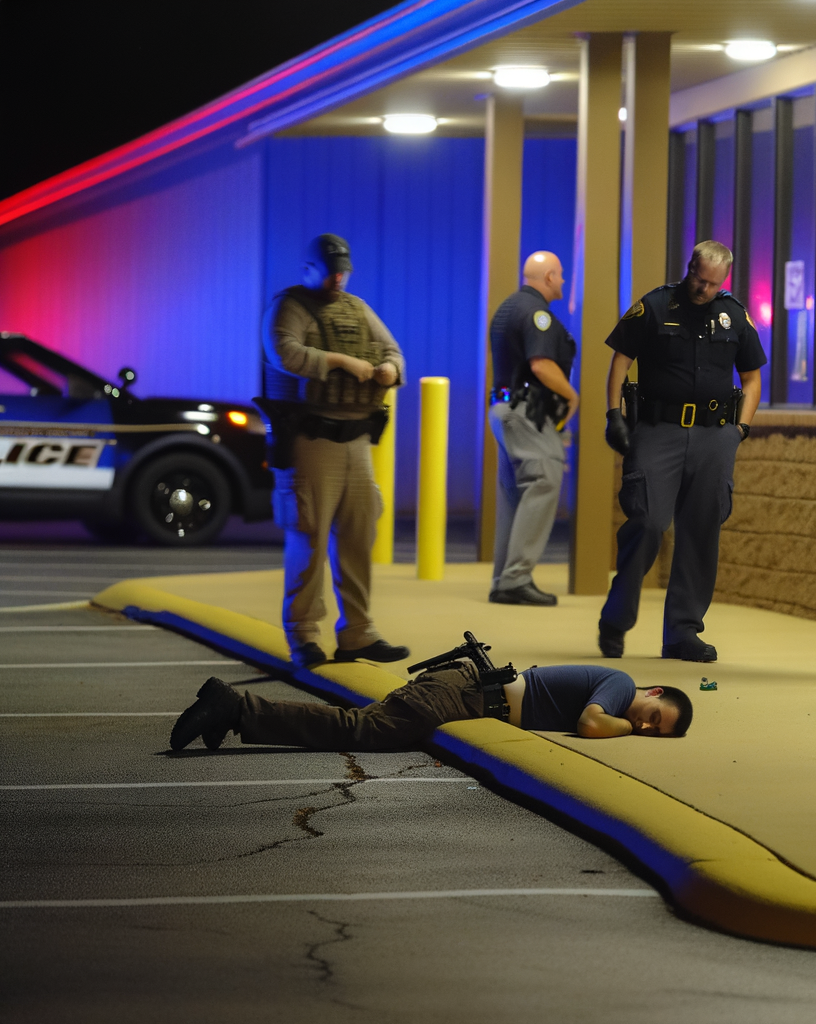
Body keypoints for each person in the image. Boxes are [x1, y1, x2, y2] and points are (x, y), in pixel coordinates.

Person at [599, 241, 766, 663]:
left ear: (723, 280)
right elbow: (620, 360)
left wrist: (740, 429)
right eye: (698, 278)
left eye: (712, 284)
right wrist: (613, 413)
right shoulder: (655, 305)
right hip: (659, 430)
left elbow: (751, 377)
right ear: (689, 267)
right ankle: (616, 618)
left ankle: (682, 632)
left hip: (714, 435)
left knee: (702, 530)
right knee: (649, 521)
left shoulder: (733, 314)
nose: (703, 289)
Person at [263, 233, 409, 668]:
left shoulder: (357, 307)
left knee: (359, 536)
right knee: (308, 536)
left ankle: (358, 633)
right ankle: (303, 633)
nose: (338, 280)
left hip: (357, 440)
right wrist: (341, 362)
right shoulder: (290, 306)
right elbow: (283, 353)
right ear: (310, 269)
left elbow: (394, 351)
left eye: (343, 272)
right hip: (311, 438)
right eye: (331, 273)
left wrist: (389, 370)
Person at [168, 663, 693, 752]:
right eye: (655, 716)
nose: (645, 726)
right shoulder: (622, 687)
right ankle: (233, 708)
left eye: (654, 731)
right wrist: (628, 726)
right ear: (653, 692)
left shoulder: (626, 697)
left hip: (464, 692)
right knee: (365, 732)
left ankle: (236, 716)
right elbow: (589, 724)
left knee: (365, 728)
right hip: (464, 693)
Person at [487, 251, 578, 605]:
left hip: (507, 408)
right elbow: (541, 365)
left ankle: (504, 579)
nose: (564, 282)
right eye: (562, 276)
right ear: (551, 277)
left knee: (516, 492)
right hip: (527, 411)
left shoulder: (509, 307)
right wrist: (573, 396)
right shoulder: (537, 314)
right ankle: (515, 578)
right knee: (544, 478)